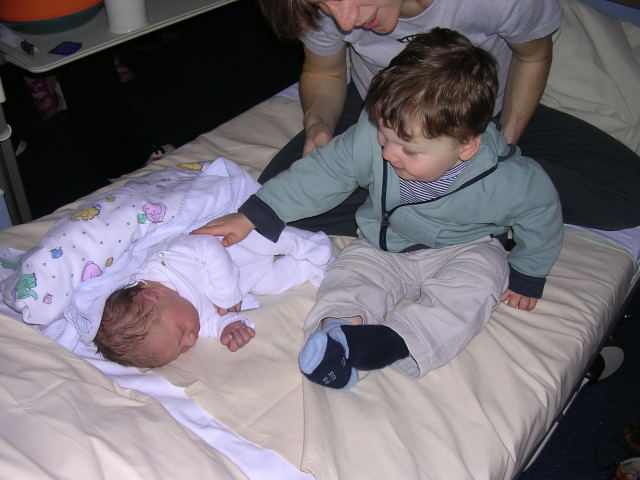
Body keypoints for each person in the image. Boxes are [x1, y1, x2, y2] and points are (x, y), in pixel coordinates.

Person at [192, 28, 564, 389]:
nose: (388, 153)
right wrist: (253, 215)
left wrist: (529, 271)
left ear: (466, 147)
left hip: (464, 247)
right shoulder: (371, 136)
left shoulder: (509, 179)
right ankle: (339, 335)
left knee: (479, 284)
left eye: (409, 150)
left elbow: (541, 214)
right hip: (384, 244)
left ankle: (396, 341)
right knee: (348, 276)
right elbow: (324, 173)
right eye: (384, 137)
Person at [256, 0, 640, 234]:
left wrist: (501, 151)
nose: (343, 20)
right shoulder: (328, 10)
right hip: (382, 115)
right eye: (325, 6)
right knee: (275, 199)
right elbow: (324, 72)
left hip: (482, 115)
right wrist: (319, 128)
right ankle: (450, 220)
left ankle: (456, 210)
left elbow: (533, 56)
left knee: (628, 196)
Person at [94, 227, 333, 368]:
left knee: (269, 238)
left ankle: (314, 245)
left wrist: (228, 295)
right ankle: (312, 270)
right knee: (272, 283)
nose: (191, 340)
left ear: (153, 294)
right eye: (182, 350)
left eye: (181, 332)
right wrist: (227, 326)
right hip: (248, 277)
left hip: (237, 240)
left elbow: (207, 246)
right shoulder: (180, 312)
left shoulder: (165, 262)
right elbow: (212, 320)